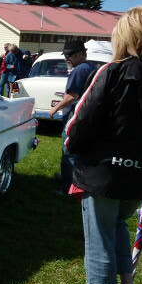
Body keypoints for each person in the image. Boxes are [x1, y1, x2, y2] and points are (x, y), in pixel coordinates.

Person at [66, 6, 142, 284]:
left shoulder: (113, 71)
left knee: (99, 234)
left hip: (104, 171)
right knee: (117, 226)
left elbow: (80, 122)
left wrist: (74, 153)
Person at [50, 39, 97, 194]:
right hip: (88, 117)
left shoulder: (80, 70)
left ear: (81, 54)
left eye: (70, 55)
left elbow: (71, 96)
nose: (66, 58)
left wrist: (54, 109)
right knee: (80, 153)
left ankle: (67, 186)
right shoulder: (92, 67)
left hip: (76, 117)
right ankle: (73, 180)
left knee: (68, 151)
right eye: (65, 55)